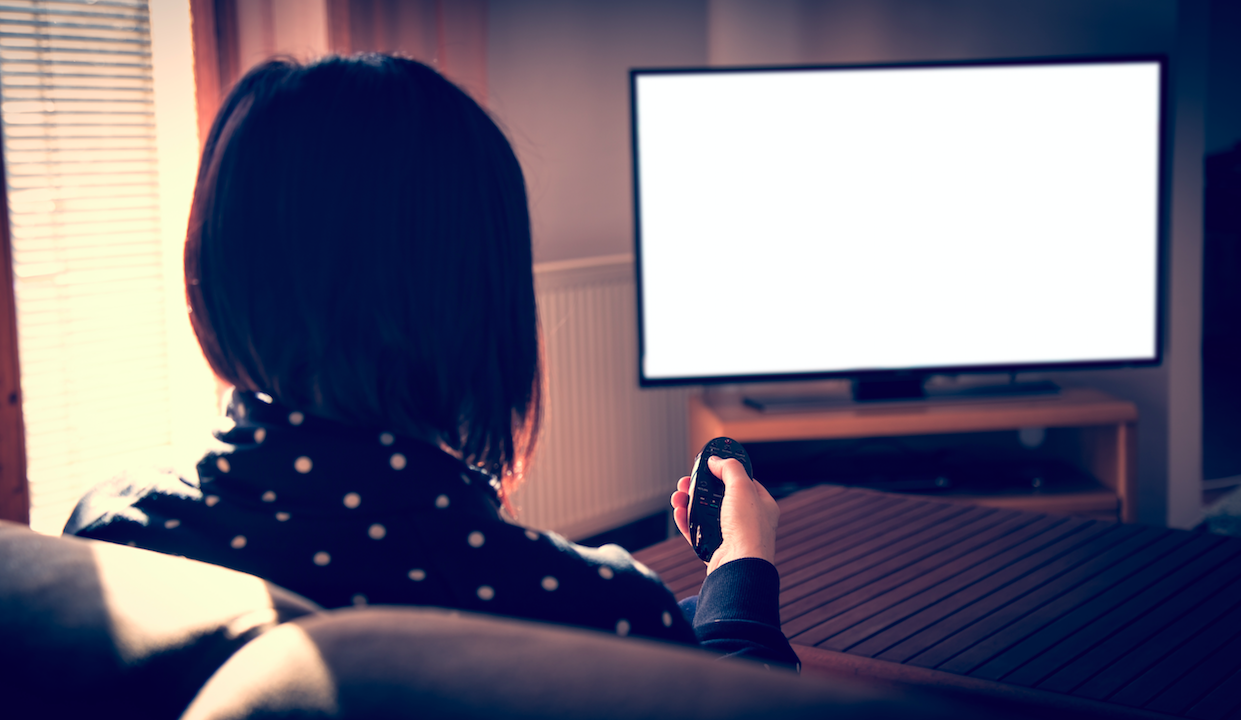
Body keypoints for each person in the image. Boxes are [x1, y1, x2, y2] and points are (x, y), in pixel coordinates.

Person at [65, 54, 798, 669]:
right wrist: (742, 563)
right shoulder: (592, 609)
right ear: (482, 299)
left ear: (219, 272)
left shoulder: (109, 535)